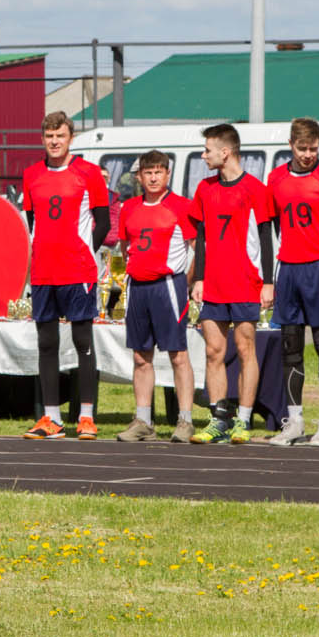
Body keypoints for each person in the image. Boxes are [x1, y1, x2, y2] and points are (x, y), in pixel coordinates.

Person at [19, 112, 110, 440]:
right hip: (44, 272)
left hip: (78, 272)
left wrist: (85, 254)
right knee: (46, 343)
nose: (54, 141)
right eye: (49, 136)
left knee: (83, 340)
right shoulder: (31, 174)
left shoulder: (88, 173)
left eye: (60, 135)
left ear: (70, 137)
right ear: (42, 139)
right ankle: (51, 418)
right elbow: (32, 222)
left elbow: (103, 222)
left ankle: (86, 416)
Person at [267, 118, 319, 446]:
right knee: (291, 346)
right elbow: (272, 224)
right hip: (288, 268)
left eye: (313, 148)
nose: (307, 154)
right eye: (302, 148)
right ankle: (295, 421)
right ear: (291, 145)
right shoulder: (275, 178)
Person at [189, 123, 275, 444]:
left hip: (244, 282)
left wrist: (268, 281)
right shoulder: (204, 189)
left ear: (225, 152)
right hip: (213, 284)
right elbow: (201, 235)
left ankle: (243, 419)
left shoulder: (255, 188)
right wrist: (198, 277)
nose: (204, 155)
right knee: (214, 351)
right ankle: (218, 419)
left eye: (208, 150)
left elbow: (267, 238)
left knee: (244, 348)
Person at [113, 150, 197, 443]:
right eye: (147, 172)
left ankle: (185, 420)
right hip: (138, 286)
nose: (152, 177)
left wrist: (186, 283)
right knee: (140, 356)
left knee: (178, 355)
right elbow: (125, 248)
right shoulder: (129, 208)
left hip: (168, 285)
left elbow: (194, 248)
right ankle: (143, 421)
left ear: (167, 174)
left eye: (158, 172)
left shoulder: (182, 206)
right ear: (139, 176)